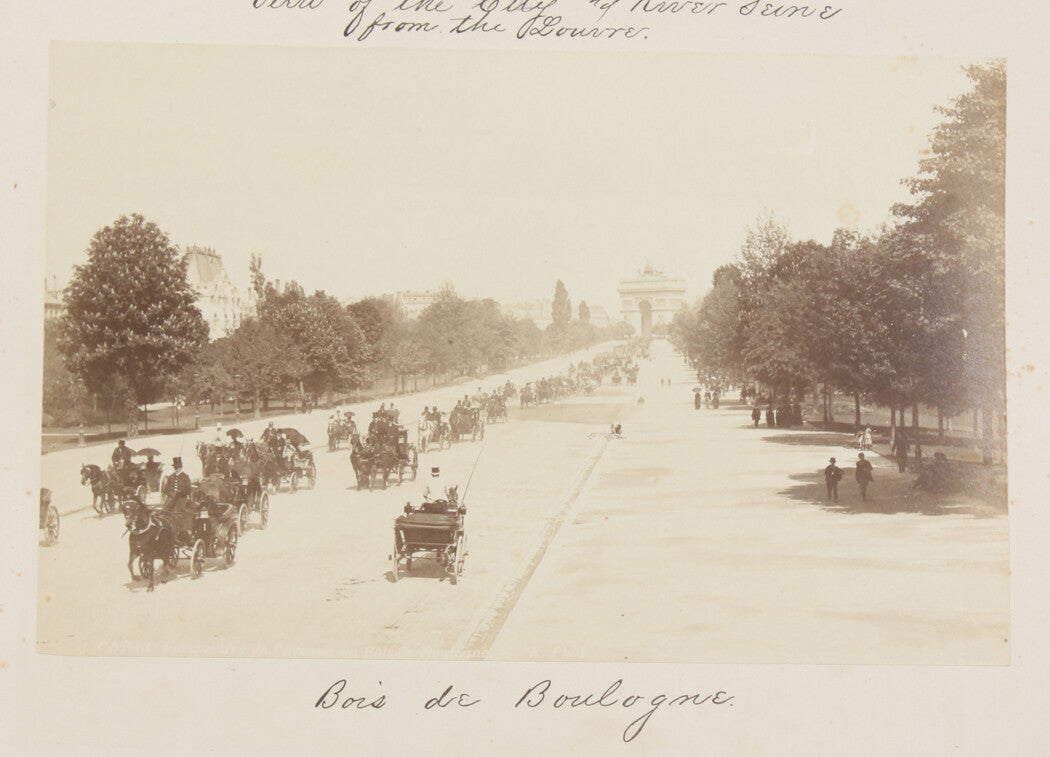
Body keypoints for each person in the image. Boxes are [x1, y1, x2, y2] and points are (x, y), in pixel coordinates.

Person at [162, 457, 194, 536]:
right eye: (175, 467)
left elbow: (188, 489)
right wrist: (170, 494)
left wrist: (180, 493)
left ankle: (185, 530)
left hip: (181, 499)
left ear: (181, 467)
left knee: (183, 512)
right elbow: (166, 489)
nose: (176, 469)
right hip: (171, 499)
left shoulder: (185, 477)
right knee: (165, 511)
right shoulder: (171, 477)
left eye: (178, 467)